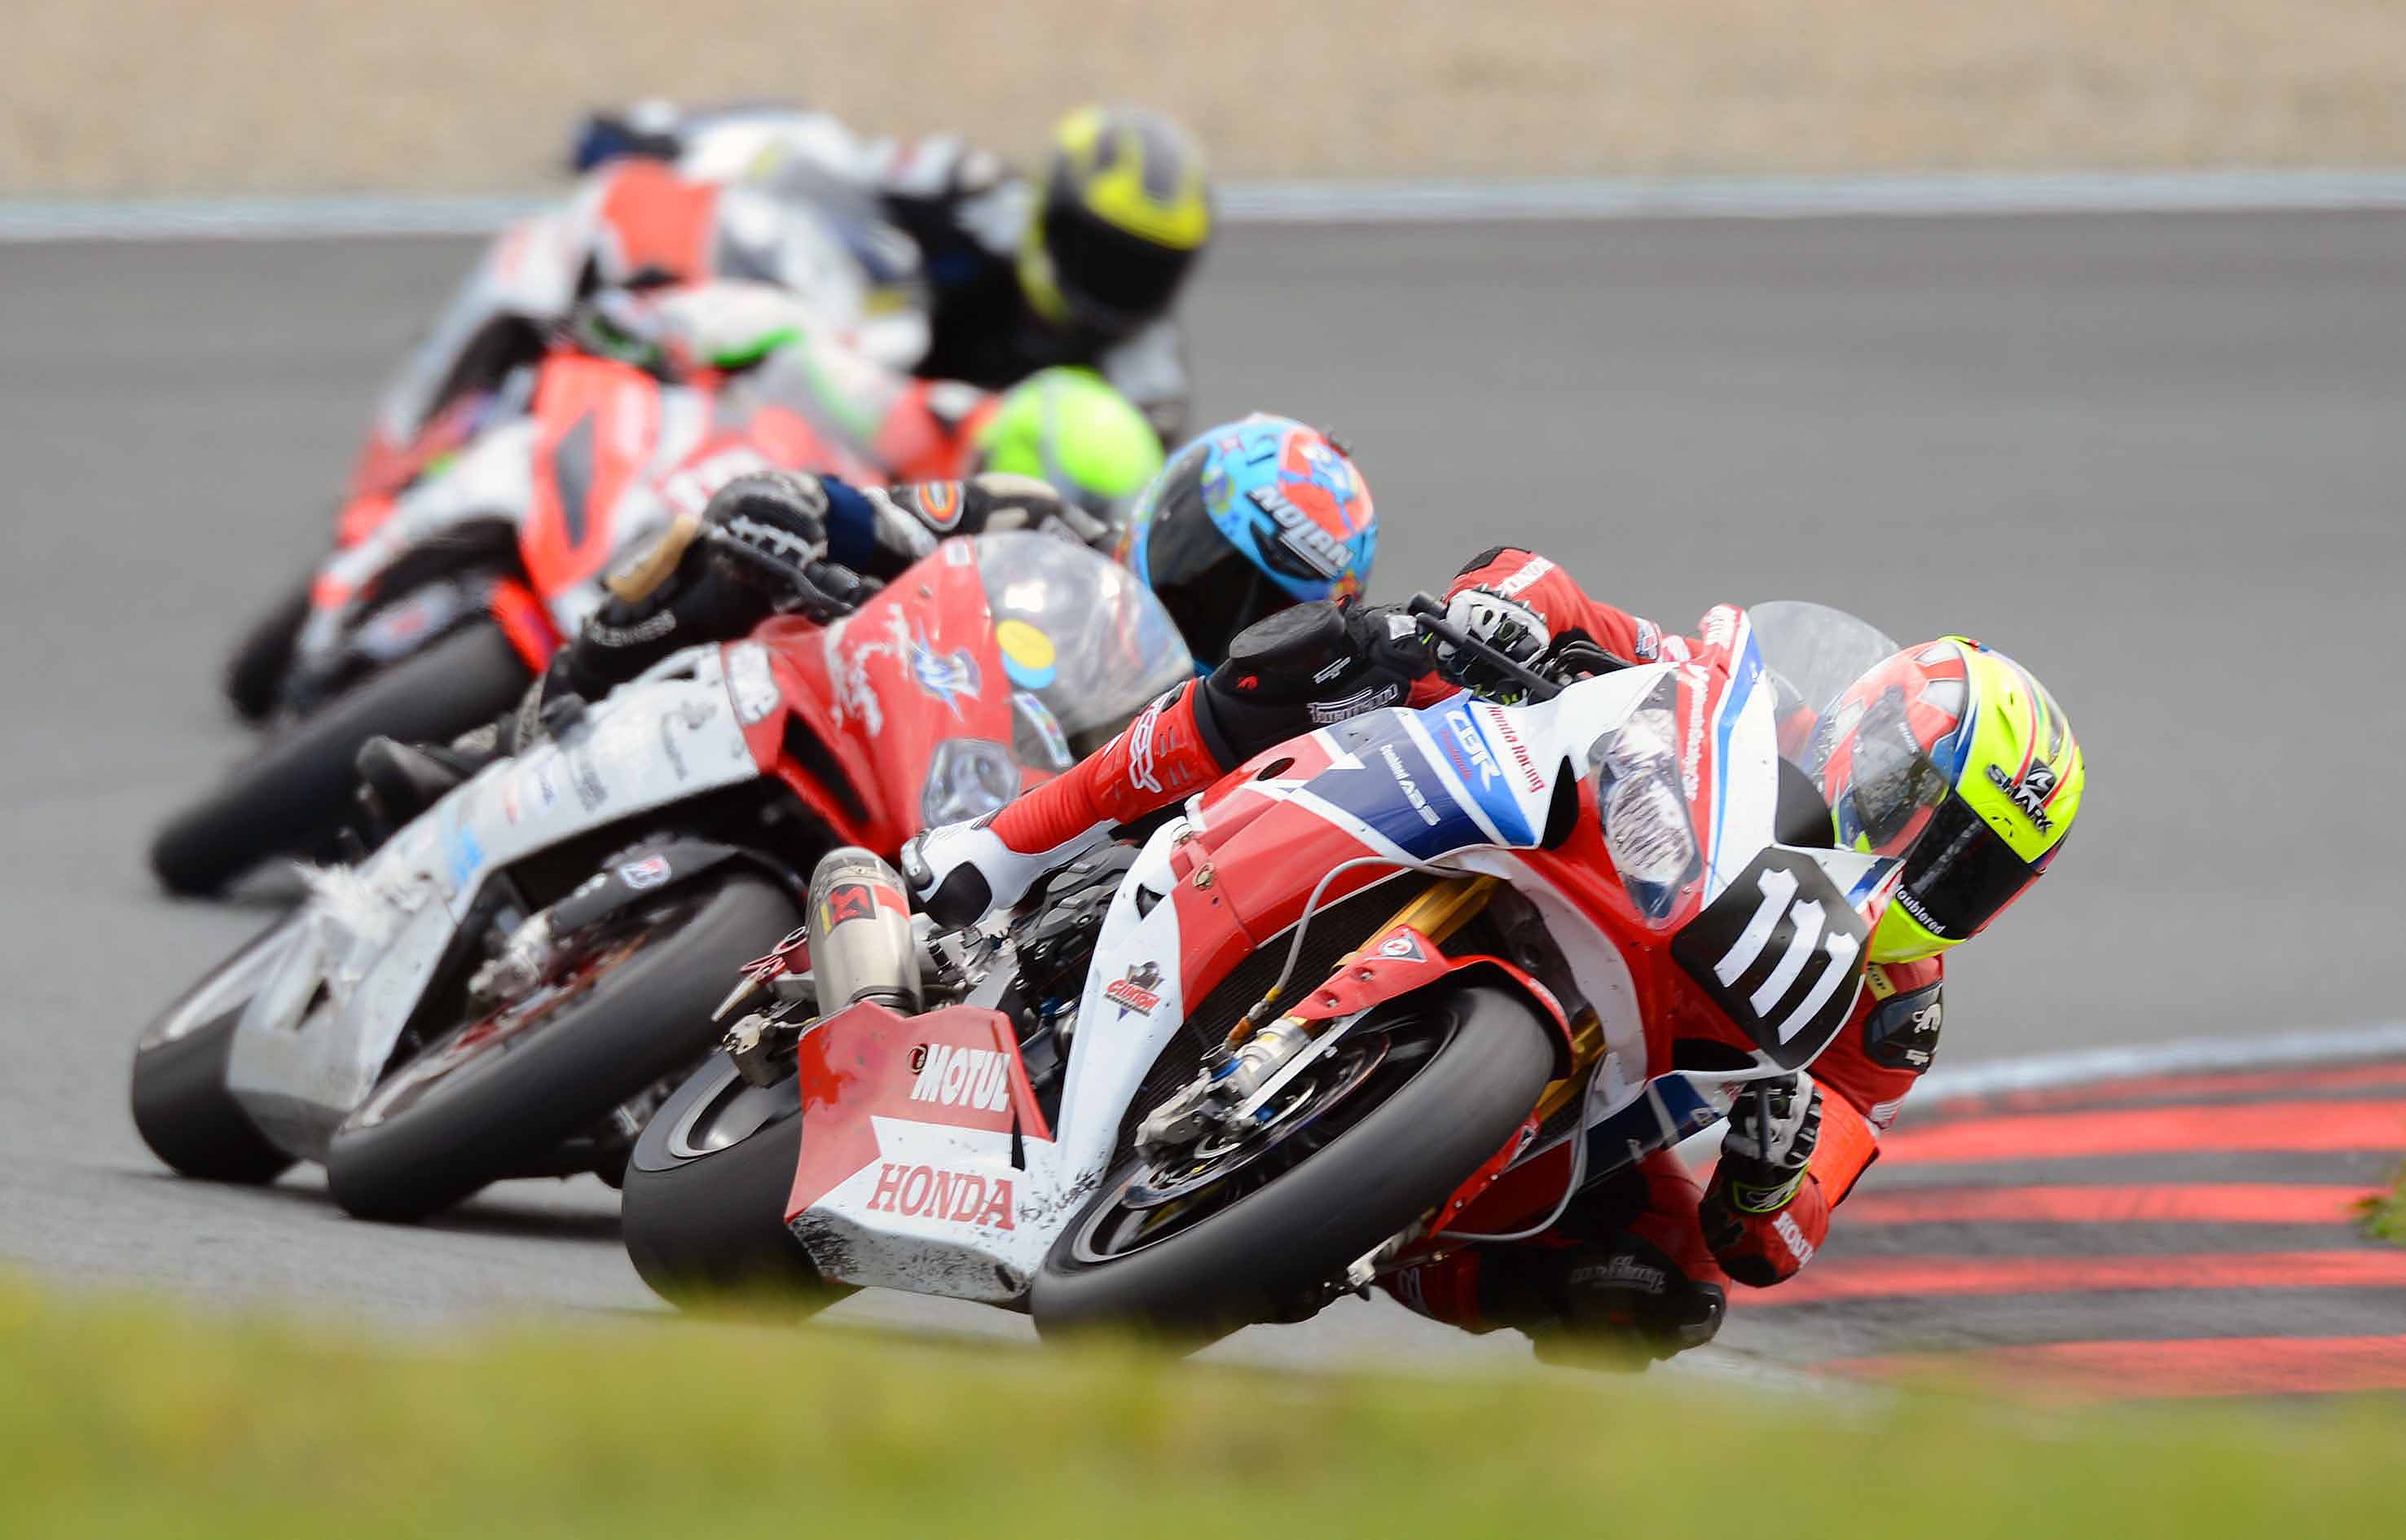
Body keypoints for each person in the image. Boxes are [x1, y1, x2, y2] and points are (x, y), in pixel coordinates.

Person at [901, 548, 2087, 1366]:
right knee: (1343, 656)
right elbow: (1565, 599)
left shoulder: (1890, 1015)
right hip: (1529, 826)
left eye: (1968, 873)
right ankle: (1000, 850)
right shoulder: (1750, 703)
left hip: (1589, 1099)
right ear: (1867, 737)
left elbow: (1784, 1228)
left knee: (1664, 1288)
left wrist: (1774, 1176)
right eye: (1918, 805)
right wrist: (1504, 606)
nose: (1924, 864)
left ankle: (1338, 1225)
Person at [356, 415, 1373, 823]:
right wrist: (799, 511)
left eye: (1262, 609)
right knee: (720, 548)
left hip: (975, 854)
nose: (1217, 607)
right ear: (1168, 506)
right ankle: (503, 748)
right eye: (1210, 564)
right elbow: (874, 520)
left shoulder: (1210, 734)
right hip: (859, 710)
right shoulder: (1035, 517)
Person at [568, 100, 1213, 440]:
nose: (1117, 286)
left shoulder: (1149, 389)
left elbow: (1126, 506)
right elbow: (815, 150)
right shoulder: (968, 194)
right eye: (1104, 253)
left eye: (1148, 270)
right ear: (1053, 213)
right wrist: (665, 136)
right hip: (837, 394)